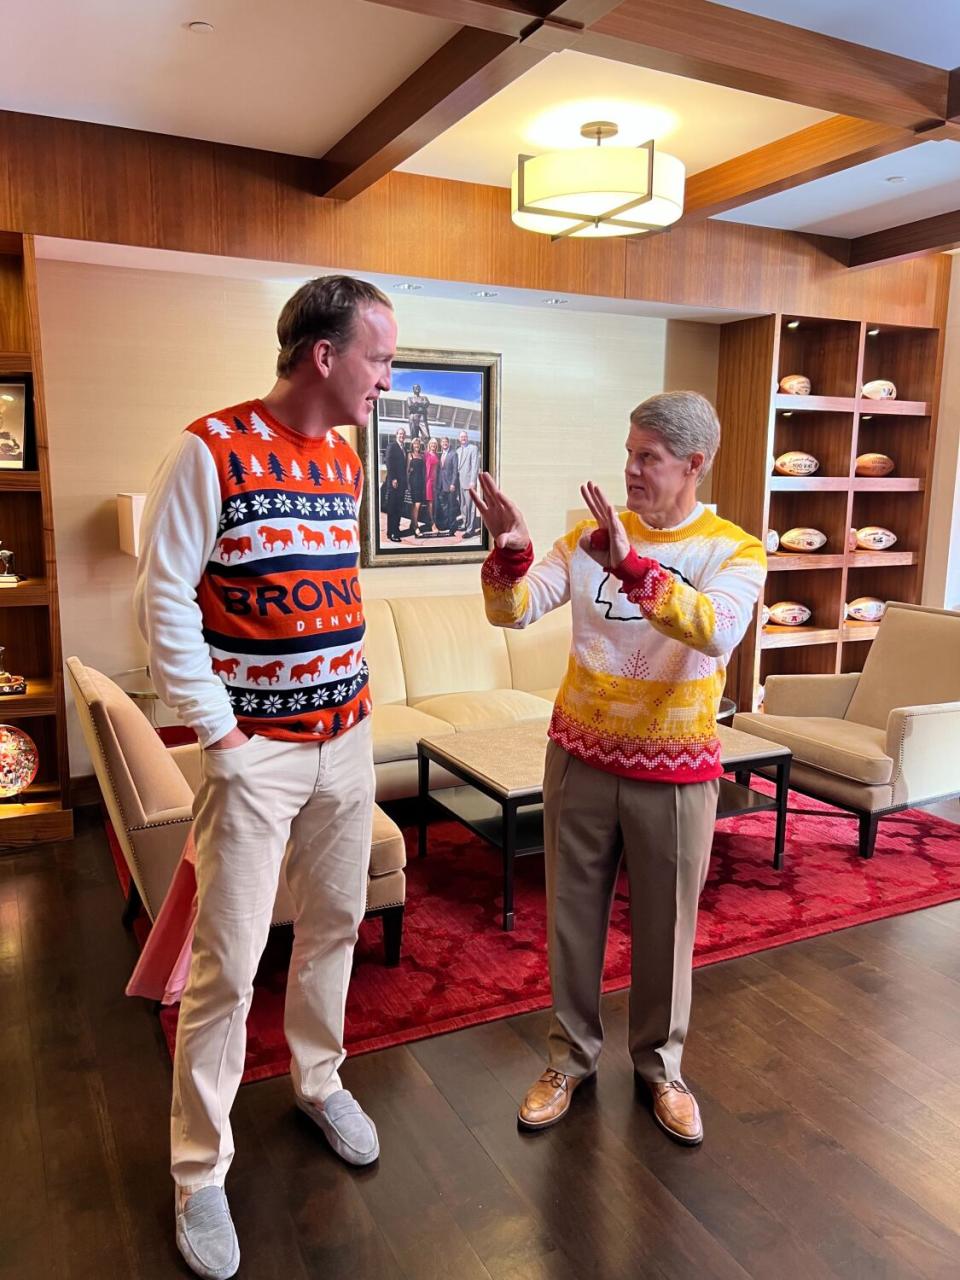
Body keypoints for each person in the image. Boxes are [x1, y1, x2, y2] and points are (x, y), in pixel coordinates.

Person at [135, 274, 398, 1280]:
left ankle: (318, 1077)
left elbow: (336, 586)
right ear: (324, 355)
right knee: (229, 963)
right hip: (257, 756)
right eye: (379, 355)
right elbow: (165, 601)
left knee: (336, 922)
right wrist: (223, 739)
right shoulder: (208, 449)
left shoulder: (342, 456)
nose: (387, 375)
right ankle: (199, 1171)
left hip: (348, 739)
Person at [470, 391, 765, 1146]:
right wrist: (509, 549)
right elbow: (513, 611)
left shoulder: (734, 549)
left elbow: (714, 630)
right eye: (629, 452)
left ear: (694, 464)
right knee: (572, 918)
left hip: (678, 770)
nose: (630, 469)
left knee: (668, 929)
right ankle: (568, 1059)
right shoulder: (584, 538)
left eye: (648, 457)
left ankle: (662, 1068)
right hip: (579, 757)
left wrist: (632, 564)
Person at [456, 429, 480, 538]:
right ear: (459, 439)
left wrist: (473, 481)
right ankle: (465, 524)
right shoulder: (457, 451)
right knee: (463, 505)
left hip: (469, 482)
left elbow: (475, 466)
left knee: (470, 506)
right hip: (460, 483)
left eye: (464, 436)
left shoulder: (473, 448)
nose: (463, 438)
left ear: (467, 438)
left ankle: (471, 529)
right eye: (461, 437)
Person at [384, 425, 407, 543]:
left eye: (403, 434)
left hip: (401, 484)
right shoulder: (392, 446)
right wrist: (393, 479)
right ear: (396, 435)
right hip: (394, 483)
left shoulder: (404, 448)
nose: (401, 436)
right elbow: (388, 462)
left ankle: (396, 530)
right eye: (400, 434)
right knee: (392, 508)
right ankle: (391, 532)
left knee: (398, 508)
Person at [437, 435, 459, 535]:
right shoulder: (441, 454)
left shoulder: (453, 454)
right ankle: (446, 524)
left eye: (446, 441)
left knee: (451, 507)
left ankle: (452, 527)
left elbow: (455, 470)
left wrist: (453, 483)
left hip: (450, 485)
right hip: (442, 485)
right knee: (445, 506)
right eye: (442, 442)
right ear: (440, 444)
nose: (444, 443)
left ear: (448, 443)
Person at [406, 436, 427, 538]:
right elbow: (407, 471)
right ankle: (416, 526)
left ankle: (412, 524)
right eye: (415, 444)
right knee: (416, 504)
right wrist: (408, 484)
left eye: (418, 444)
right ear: (412, 445)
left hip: (421, 482)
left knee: (415, 505)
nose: (416, 445)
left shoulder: (422, 456)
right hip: (413, 483)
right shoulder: (410, 455)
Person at [424, 437, 440, 533]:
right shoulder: (426, 454)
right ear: (429, 445)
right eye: (432, 444)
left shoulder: (437, 455)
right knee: (430, 503)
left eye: (434, 444)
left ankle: (433, 520)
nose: (433, 445)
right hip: (428, 481)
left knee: (434, 503)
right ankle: (432, 523)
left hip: (436, 481)